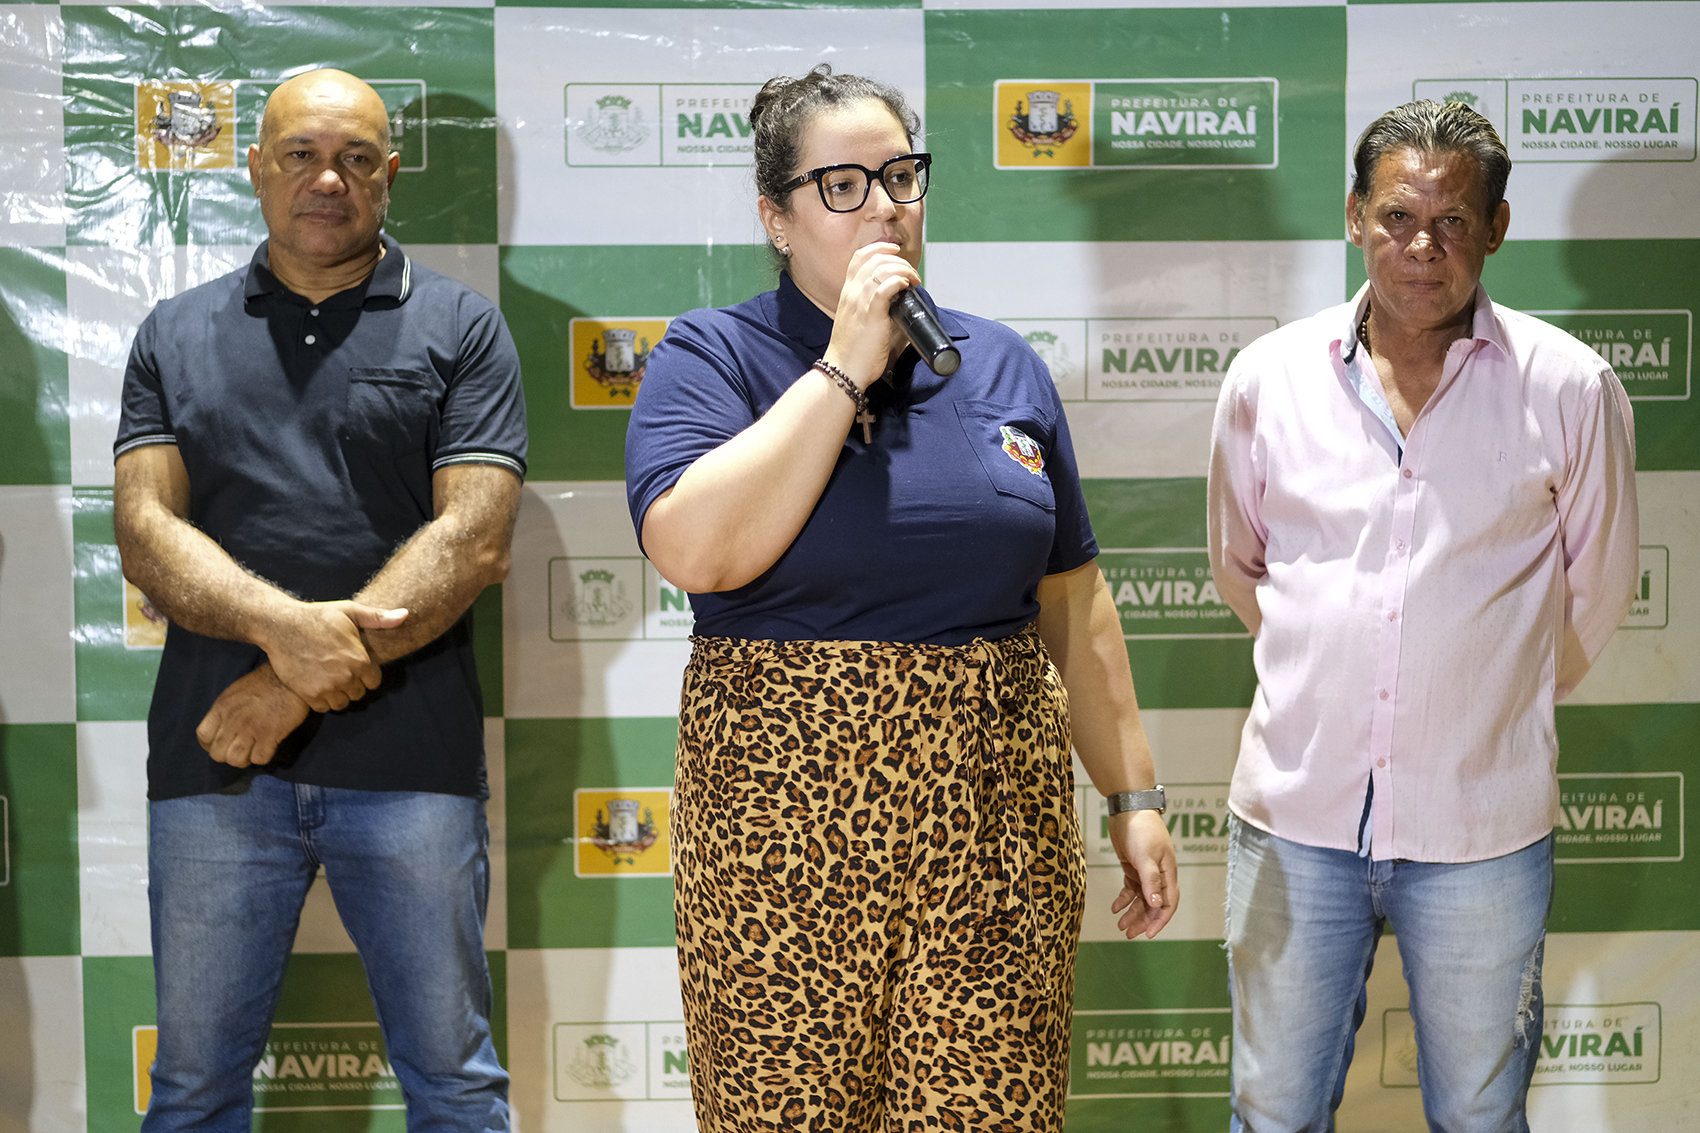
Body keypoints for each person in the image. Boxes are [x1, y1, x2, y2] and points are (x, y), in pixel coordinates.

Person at [624, 65, 1178, 1132]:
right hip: (783, 843)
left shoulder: (998, 361)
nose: (883, 206)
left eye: (900, 176)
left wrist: (1133, 795)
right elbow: (692, 548)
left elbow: (1073, 602)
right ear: (775, 218)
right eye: (841, 185)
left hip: (993, 834)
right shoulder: (712, 355)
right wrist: (842, 366)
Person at [1207, 99, 1638, 1131]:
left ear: (1496, 228)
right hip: (1295, 818)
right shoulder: (1268, 379)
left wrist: (1478, 699)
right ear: (1354, 215)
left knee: (1481, 1116)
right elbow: (1242, 568)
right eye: (1398, 216)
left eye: (1452, 222)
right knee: (1271, 1113)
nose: (1421, 247)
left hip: (1482, 827)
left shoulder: (1570, 388)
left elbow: (1596, 594)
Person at [112, 68, 525, 1131]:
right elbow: (146, 530)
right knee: (193, 1088)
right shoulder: (173, 332)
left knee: (454, 1083)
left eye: (354, 158)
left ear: (390, 176)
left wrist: (287, 686)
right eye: (300, 154)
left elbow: (473, 538)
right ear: (257, 168)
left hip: (411, 763)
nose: (326, 178)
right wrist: (282, 631)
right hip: (217, 762)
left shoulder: (463, 326)